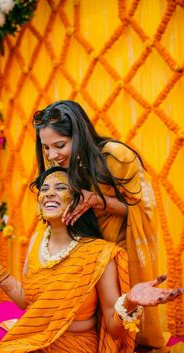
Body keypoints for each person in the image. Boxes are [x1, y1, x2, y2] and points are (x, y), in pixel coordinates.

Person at [0, 167, 183, 353]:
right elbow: (26, 301)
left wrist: (130, 302)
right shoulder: (36, 241)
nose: (49, 193)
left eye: (60, 187)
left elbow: (114, 330)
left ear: (77, 202)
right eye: (44, 189)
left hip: (76, 346)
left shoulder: (99, 254)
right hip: (35, 340)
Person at [33, 100, 164, 347]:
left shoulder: (116, 156)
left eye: (60, 145)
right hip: (86, 255)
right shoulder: (61, 165)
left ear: (79, 136)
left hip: (122, 249)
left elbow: (140, 210)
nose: (52, 155)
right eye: (46, 148)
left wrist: (96, 200)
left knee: (123, 325)